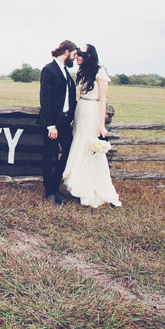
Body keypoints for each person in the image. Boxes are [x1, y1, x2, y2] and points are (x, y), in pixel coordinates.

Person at [63, 44, 121, 208]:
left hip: (92, 112)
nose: (77, 56)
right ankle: (78, 183)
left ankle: (92, 188)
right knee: (79, 143)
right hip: (81, 110)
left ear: (89, 56)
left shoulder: (100, 72)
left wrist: (102, 125)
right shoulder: (81, 72)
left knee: (89, 147)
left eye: (80, 54)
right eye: (77, 53)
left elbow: (103, 99)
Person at [39, 40, 78, 205]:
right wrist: (50, 125)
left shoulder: (66, 72)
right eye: (74, 55)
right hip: (53, 123)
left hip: (64, 122)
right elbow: (45, 98)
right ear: (67, 52)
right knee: (49, 155)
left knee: (69, 151)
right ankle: (49, 191)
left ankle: (56, 185)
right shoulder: (49, 69)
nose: (75, 59)